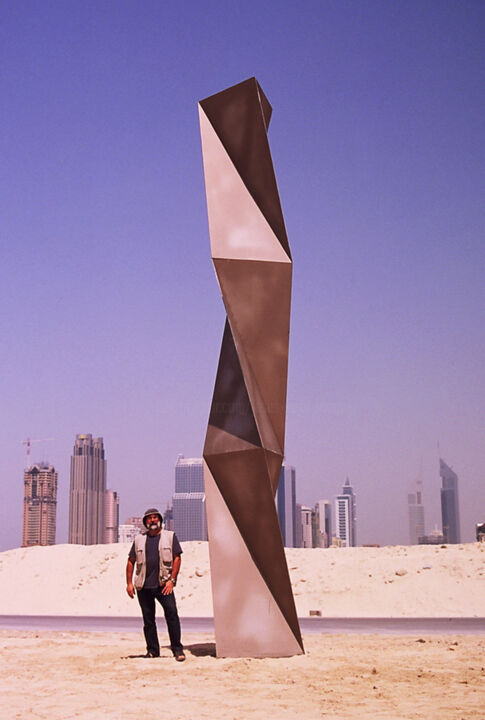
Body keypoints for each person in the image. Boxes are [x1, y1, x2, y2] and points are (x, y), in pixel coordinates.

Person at [126, 508, 185, 661]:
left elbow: (177, 558)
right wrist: (129, 584)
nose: (152, 520)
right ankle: (152, 650)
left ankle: (177, 649)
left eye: (155, 518)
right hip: (143, 586)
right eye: (149, 518)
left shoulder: (170, 537)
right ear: (146, 522)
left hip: (164, 584)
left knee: (172, 615)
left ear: (159, 520)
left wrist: (172, 580)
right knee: (148, 619)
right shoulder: (139, 539)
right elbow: (130, 561)